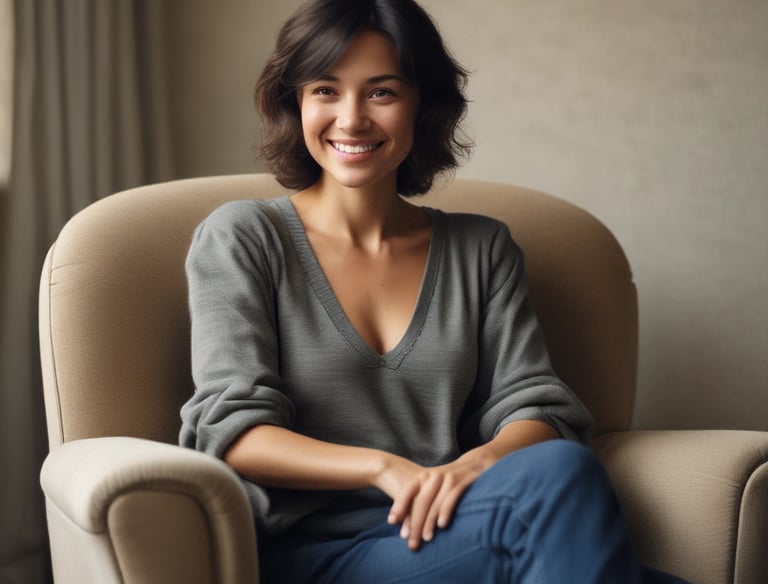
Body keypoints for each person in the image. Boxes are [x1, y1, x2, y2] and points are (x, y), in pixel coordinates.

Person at [180, 0, 688, 582]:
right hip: (316, 556)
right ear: (295, 102)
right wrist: (383, 468)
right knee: (562, 477)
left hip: (455, 530)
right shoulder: (244, 236)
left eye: (382, 92)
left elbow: (538, 407)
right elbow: (233, 430)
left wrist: (479, 463)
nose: (351, 119)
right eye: (325, 90)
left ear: (423, 105)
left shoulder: (481, 248)